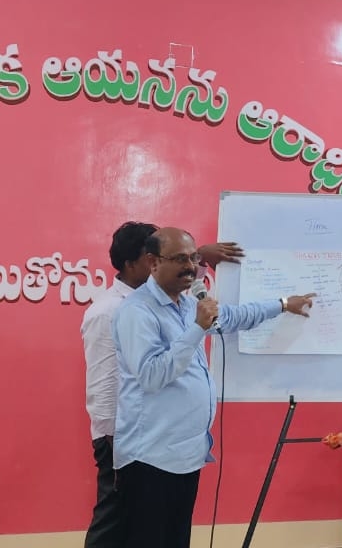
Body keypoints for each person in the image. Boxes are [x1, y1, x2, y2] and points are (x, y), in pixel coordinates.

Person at [111, 227, 315, 548]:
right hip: (150, 460)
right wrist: (196, 329)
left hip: (184, 456)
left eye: (194, 258)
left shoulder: (188, 303)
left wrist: (283, 303)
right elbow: (151, 375)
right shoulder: (137, 311)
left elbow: (235, 316)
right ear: (153, 262)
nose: (191, 267)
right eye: (181, 259)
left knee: (176, 540)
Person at [81, 221, 245, 548]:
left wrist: (201, 258)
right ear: (136, 263)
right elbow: (105, 382)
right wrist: (118, 438)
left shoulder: (168, 302)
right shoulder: (111, 310)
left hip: (154, 437)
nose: (161, 265)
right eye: (152, 257)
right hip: (124, 437)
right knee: (113, 523)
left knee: (151, 527)